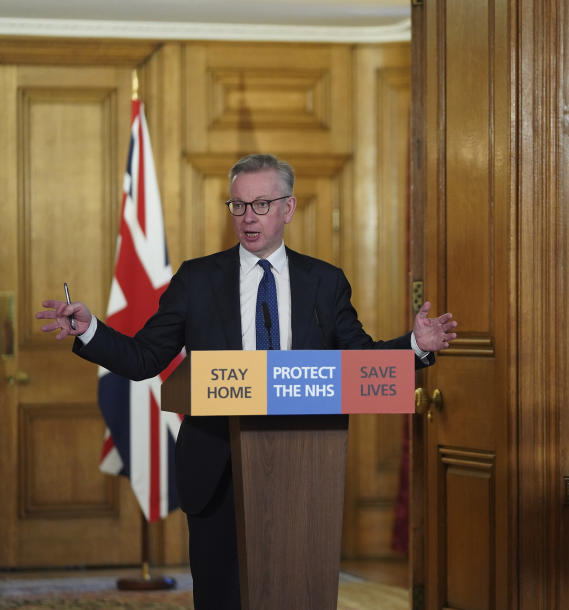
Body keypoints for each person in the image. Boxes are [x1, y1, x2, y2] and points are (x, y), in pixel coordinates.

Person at [36, 154, 457, 609]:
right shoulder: (196, 279)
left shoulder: (325, 282)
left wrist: (414, 345)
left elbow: (359, 361)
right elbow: (145, 357)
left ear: (288, 209)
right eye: (237, 206)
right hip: (216, 466)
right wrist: (90, 330)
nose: (247, 218)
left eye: (260, 204)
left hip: (304, 467)